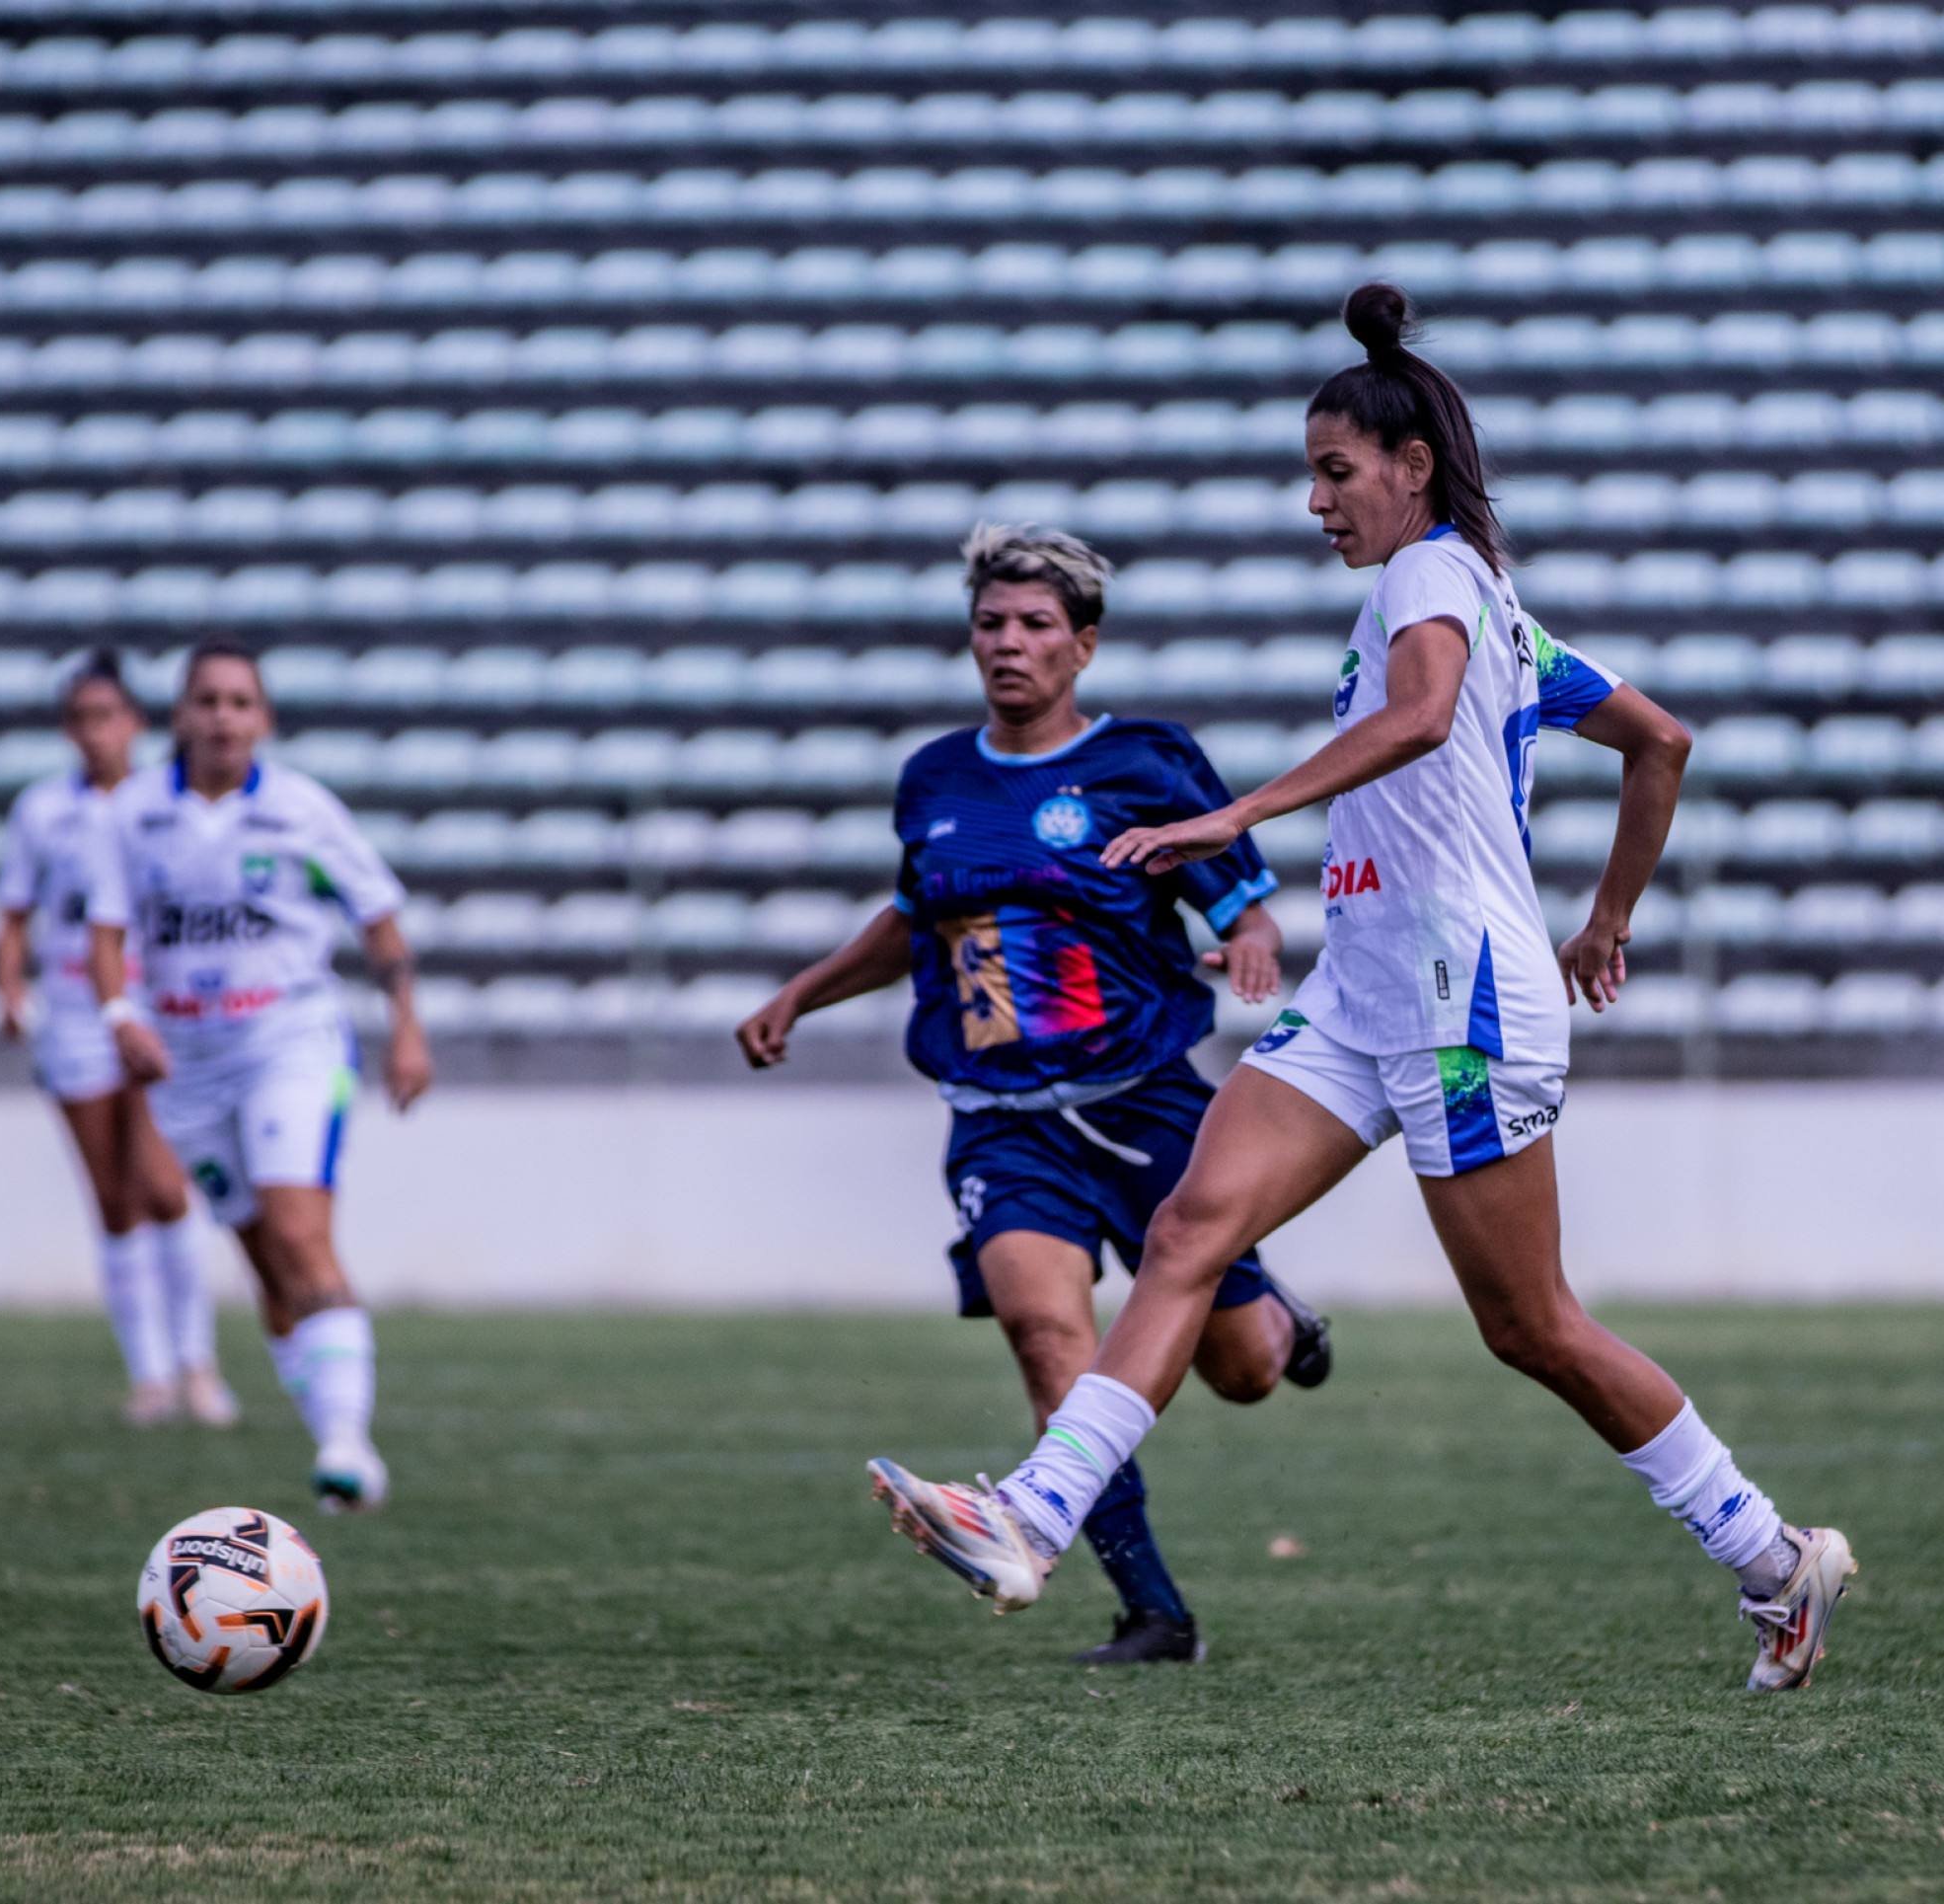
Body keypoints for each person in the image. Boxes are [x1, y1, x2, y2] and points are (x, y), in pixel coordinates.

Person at [867, 287, 1857, 1693]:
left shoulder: (1432, 578)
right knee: (1190, 1232)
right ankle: (1031, 1514)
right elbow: (1661, 740)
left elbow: (1422, 719)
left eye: (1335, 472)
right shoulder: (1493, 607)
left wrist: (1235, 817)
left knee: (1531, 1326)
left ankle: (1773, 1558)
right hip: (1364, 989)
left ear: (1411, 468)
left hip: (1460, 999)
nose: (1316, 500)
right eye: (1312, 473)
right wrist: (1605, 916)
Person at [742, 523, 1334, 1666]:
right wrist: (803, 994)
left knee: (1244, 1372)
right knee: (1043, 1330)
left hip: (1148, 1100)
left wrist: (1253, 942)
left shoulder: (1144, 764)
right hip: (1001, 1119)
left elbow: (1241, 901)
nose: (1007, 644)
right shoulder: (934, 779)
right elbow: (917, 923)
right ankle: (1152, 1612)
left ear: (1082, 647)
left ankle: (1278, 1316)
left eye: (1034, 626)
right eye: (990, 624)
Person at [84, 642, 432, 1512]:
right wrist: (123, 1017)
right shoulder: (132, 816)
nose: (224, 716)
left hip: (291, 1041)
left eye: (241, 701)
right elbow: (107, 933)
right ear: (180, 716)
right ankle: (337, 1443)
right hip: (187, 1066)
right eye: (207, 699)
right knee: (266, 1264)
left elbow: (378, 915)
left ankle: (347, 1442)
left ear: (264, 719)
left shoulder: (302, 809)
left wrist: (409, 1030)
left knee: (300, 1233)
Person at [0, 649, 237, 1428]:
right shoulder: (42, 811)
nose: (96, 732)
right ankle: (150, 1374)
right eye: (82, 718)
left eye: (108, 715)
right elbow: (14, 909)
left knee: (166, 1187)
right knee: (114, 1197)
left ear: (136, 722)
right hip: (73, 1014)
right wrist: (9, 987)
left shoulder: (163, 806)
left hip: (157, 1010)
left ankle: (198, 1363)